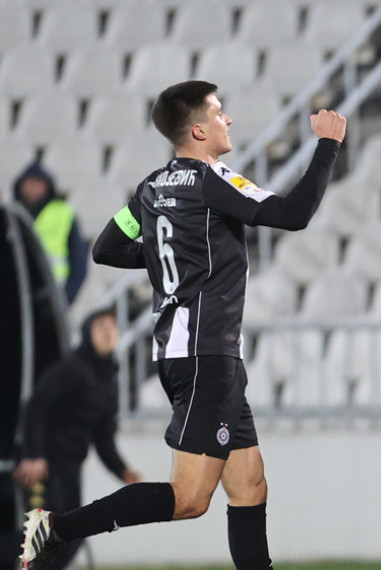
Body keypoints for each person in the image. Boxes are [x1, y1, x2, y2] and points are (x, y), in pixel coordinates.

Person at [20, 80, 347, 570]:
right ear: (198, 130)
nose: (227, 120)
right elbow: (293, 214)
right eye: (218, 112)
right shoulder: (214, 180)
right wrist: (327, 144)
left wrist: (172, 254)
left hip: (196, 353)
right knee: (190, 499)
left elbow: (106, 248)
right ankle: (57, 528)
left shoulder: (151, 188)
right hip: (205, 356)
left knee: (250, 485)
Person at [13, 308, 142, 570]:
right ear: (87, 333)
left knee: (72, 535)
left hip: (70, 468)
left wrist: (124, 471)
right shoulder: (71, 367)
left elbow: (103, 438)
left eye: (113, 327)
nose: (108, 332)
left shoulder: (108, 382)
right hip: (44, 463)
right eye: (101, 327)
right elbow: (36, 407)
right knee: (41, 536)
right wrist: (33, 454)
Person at [11, 162, 88, 305]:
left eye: (37, 183)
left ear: (47, 186)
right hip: (15, 297)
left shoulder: (64, 214)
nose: (32, 188)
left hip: (52, 295)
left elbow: (78, 262)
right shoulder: (11, 214)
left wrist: (65, 299)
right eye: (28, 183)